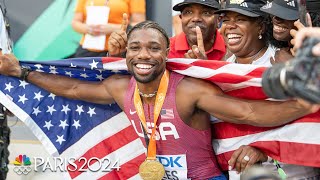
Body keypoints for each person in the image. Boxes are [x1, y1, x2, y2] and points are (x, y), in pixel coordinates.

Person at [0, 21, 317, 180]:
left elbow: (249, 113)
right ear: (126, 54)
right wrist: (22, 73)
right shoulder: (119, 87)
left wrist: (305, 105)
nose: (143, 55)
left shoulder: (188, 90)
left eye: (153, 48)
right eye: (135, 48)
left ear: (167, 54)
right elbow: (71, 90)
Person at [216, 0, 320, 178]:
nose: (230, 26)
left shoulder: (285, 60)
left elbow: (311, 119)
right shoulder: (217, 71)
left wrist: (265, 148)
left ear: (261, 27)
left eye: (241, 19)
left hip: (295, 174)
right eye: (225, 20)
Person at [108, 0, 226, 61]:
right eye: (188, 12)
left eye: (206, 13)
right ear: (181, 18)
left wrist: (204, 69)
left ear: (219, 20)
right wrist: (116, 55)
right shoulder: (163, 48)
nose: (195, 18)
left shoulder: (231, 49)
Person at [71, 0, 145, 57]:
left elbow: (139, 25)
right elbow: (75, 22)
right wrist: (88, 28)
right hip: (86, 50)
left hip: (118, 50)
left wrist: (112, 29)